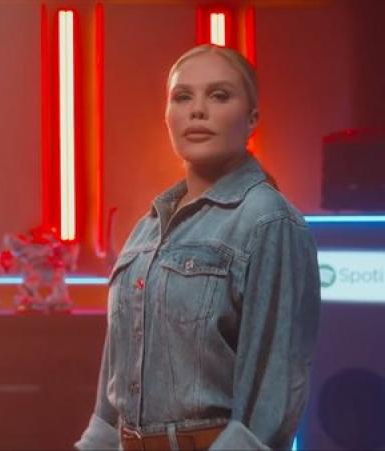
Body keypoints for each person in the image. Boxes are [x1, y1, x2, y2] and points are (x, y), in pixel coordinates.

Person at [75, 44, 321, 451]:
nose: (198, 111)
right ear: (167, 116)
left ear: (252, 119)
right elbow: (111, 397)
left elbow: (271, 399)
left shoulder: (269, 220)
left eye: (219, 95)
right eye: (182, 97)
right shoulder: (146, 230)